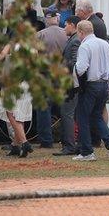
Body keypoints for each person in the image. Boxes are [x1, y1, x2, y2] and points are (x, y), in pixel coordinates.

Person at [72, 20, 109, 161]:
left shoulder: (85, 46)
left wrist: (73, 82)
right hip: (104, 84)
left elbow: (81, 68)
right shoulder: (105, 43)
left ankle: (87, 152)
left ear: (80, 32)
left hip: (90, 85)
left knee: (82, 117)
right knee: (96, 115)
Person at [34, 11, 68, 148]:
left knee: (43, 108)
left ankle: (46, 140)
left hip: (45, 74)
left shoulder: (40, 35)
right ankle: (68, 139)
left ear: (47, 20)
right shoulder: (66, 34)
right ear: (58, 19)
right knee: (65, 109)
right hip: (63, 74)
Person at [0, 41, 33, 158]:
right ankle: (16, 145)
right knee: (19, 115)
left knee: (10, 113)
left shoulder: (11, 45)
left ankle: (24, 142)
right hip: (26, 83)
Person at [53, 15, 83, 156]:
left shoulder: (75, 40)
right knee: (69, 114)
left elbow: (75, 62)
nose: (64, 28)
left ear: (73, 25)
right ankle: (73, 144)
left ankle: (69, 146)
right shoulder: (73, 39)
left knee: (67, 114)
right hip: (70, 82)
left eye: (66, 25)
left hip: (70, 83)